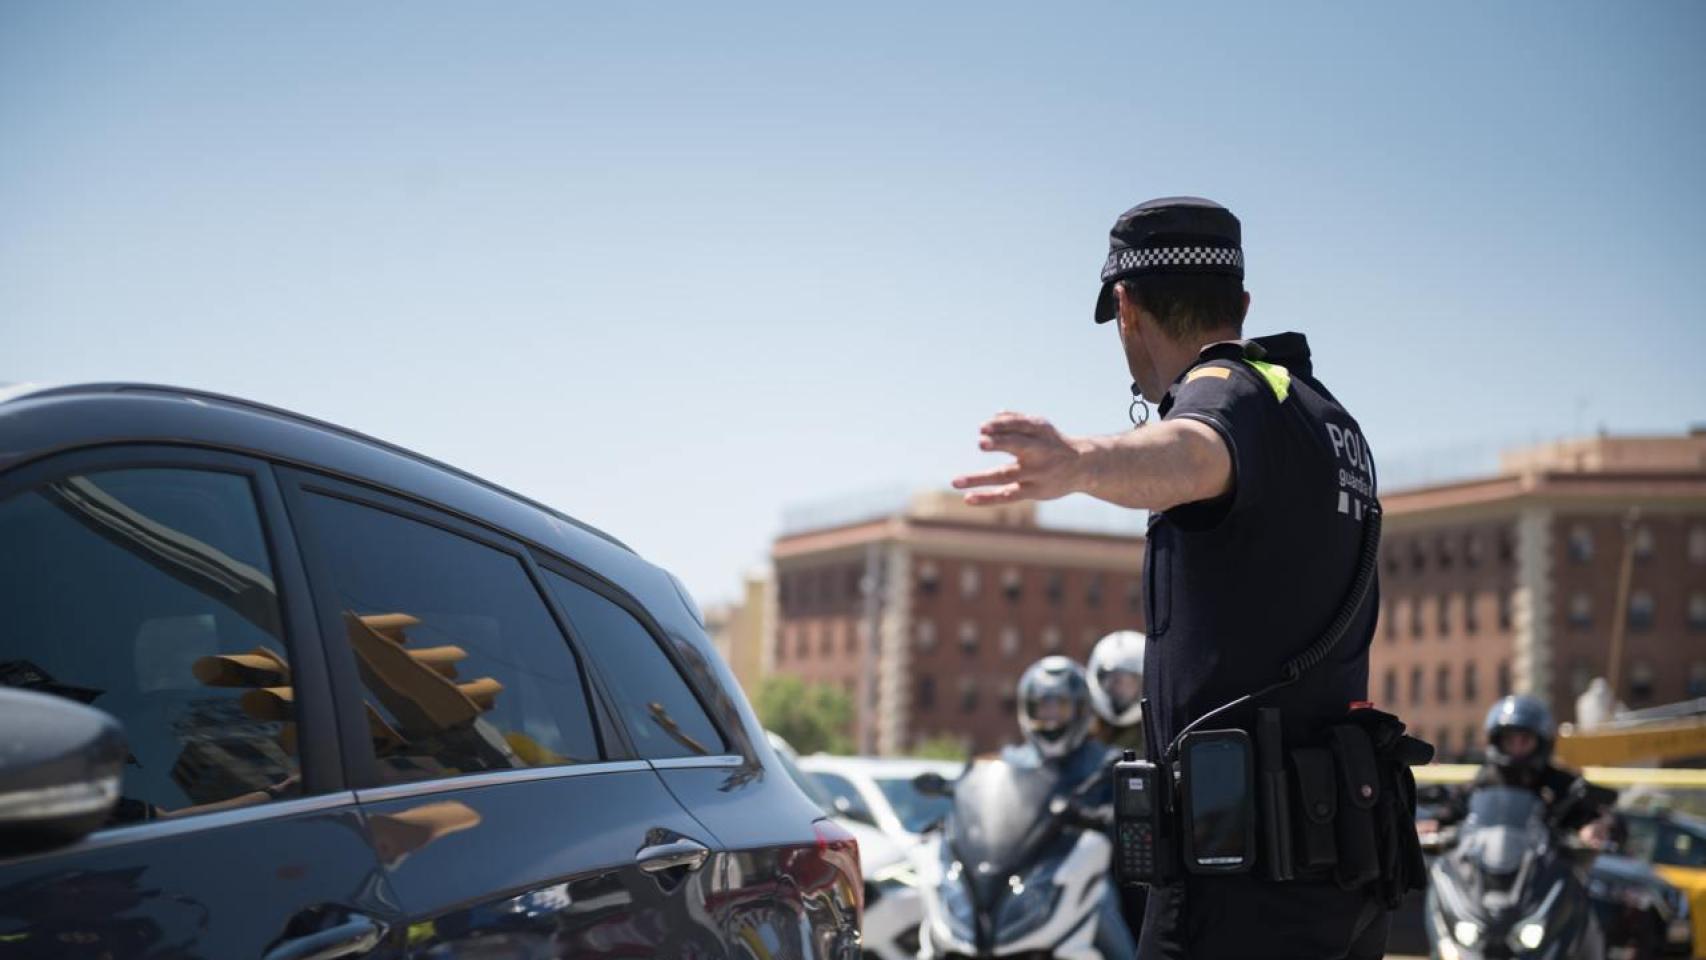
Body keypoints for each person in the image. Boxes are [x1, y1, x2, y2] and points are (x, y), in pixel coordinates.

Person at [953, 197, 1388, 959]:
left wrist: (1081, 462)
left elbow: (1193, 451)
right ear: (1241, 303)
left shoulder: (1226, 391)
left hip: (1237, 882)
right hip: (1342, 864)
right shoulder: (1328, 418)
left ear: (1126, 309)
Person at [1007, 655, 1136, 958]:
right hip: (1019, 877)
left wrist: (1092, 816)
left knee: (1102, 901)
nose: (1051, 717)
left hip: (1079, 877)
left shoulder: (1108, 762)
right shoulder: (1013, 762)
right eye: (1042, 707)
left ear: (1080, 710)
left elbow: (1126, 821)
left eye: (1059, 707)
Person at [1431, 695, 1616, 839]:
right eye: (1510, 740)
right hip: (1485, 869)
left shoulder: (1559, 783)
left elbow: (1600, 817)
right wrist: (1436, 823)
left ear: (1541, 742)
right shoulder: (1485, 780)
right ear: (1498, 742)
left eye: (1525, 740)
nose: (1517, 747)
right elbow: (1456, 807)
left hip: (1543, 869)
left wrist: (1594, 827)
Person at [1087, 630, 1147, 756]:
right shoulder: (1083, 734)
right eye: (1112, 680)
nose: (1120, 689)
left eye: (1129, 681)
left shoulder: (1157, 738)